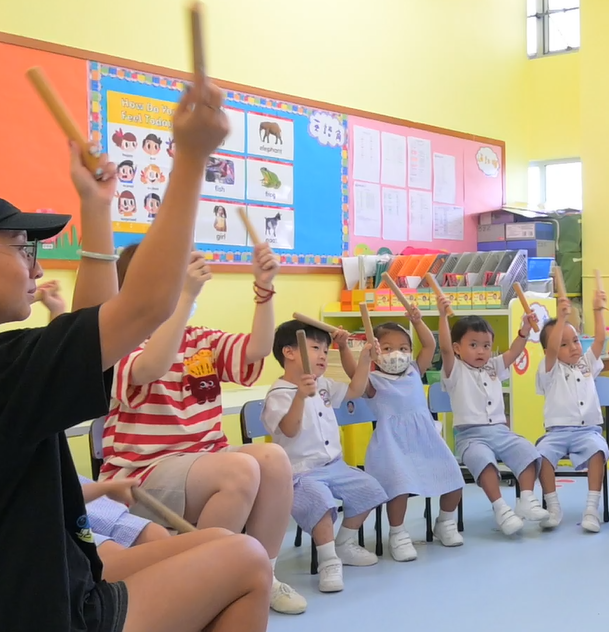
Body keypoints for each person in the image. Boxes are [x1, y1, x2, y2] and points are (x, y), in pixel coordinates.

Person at [0, 79, 274, 632]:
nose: (35, 265)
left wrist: (96, 207)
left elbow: (90, 335)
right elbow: (144, 306)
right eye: (22, 247)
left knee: (215, 542)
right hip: (30, 613)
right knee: (246, 559)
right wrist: (193, 157)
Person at [98, 242, 307, 615]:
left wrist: (264, 288)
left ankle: (263, 573)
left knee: (273, 459)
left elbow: (257, 350)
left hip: (205, 461)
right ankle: (202, 582)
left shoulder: (201, 340)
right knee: (239, 470)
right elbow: (151, 366)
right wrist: (184, 300)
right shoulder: (122, 339)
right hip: (141, 474)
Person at [261, 320, 389, 592]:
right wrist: (300, 396)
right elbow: (289, 430)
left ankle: (344, 543)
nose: (322, 355)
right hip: (299, 473)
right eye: (315, 348)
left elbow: (355, 390)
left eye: (324, 349)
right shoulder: (279, 393)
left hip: (334, 466)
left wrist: (364, 358)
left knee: (370, 489)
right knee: (320, 502)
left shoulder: (323, 384)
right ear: (289, 352)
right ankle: (328, 561)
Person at [344, 313, 465, 562]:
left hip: (425, 441)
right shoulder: (372, 381)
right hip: (392, 447)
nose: (396, 354)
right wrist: (347, 348)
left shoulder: (413, 371)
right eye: (387, 348)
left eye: (403, 348)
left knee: (453, 477)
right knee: (399, 488)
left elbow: (429, 345)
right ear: (375, 352)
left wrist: (417, 321)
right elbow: (352, 372)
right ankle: (397, 534)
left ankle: (445, 522)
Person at [437, 298, 547, 536]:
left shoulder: (493, 366)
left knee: (528, 451)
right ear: (457, 348)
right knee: (483, 460)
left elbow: (514, 352)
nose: (481, 351)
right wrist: (443, 316)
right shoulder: (454, 369)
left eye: (486, 346)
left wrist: (524, 330)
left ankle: (526, 498)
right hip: (470, 436)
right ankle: (500, 509)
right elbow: (444, 348)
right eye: (473, 345)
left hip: (500, 431)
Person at [535, 291, 609, 533]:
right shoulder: (549, 368)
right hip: (556, 433)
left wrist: (597, 310)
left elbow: (600, 339)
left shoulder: (586, 363)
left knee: (598, 451)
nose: (573, 347)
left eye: (576, 341)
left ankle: (591, 509)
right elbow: (551, 350)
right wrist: (560, 319)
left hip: (587, 431)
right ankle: (553, 507)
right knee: (541, 456)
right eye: (564, 344)